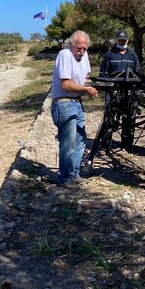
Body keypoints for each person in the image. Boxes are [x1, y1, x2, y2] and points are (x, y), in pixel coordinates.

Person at [50, 30, 98, 190]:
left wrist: (93, 85)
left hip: (77, 102)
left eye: (84, 48)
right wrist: (85, 89)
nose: (82, 51)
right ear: (71, 45)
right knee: (68, 143)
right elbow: (66, 84)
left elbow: (86, 78)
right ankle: (64, 178)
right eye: (79, 48)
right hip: (64, 103)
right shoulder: (65, 55)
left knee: (80, 141)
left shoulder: (84, 57)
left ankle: (74, 174)